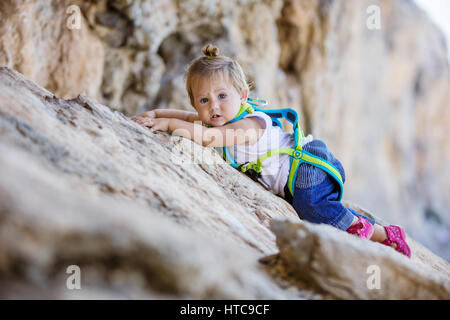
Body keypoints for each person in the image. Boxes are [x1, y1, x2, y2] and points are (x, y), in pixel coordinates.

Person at [130, 44, 411, 258]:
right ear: (195, 105)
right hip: (297, 175)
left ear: (242, 96)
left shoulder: (249, 125)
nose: (214, 106)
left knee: (312, 209)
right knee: (321, 209)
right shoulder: (220, 116)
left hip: (306, 169)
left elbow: (206, 138)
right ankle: (371, 229)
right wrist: (156, 113)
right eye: (204, 100)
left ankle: (375, 232)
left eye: (222, 96)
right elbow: (191, 119)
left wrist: (166, 124)